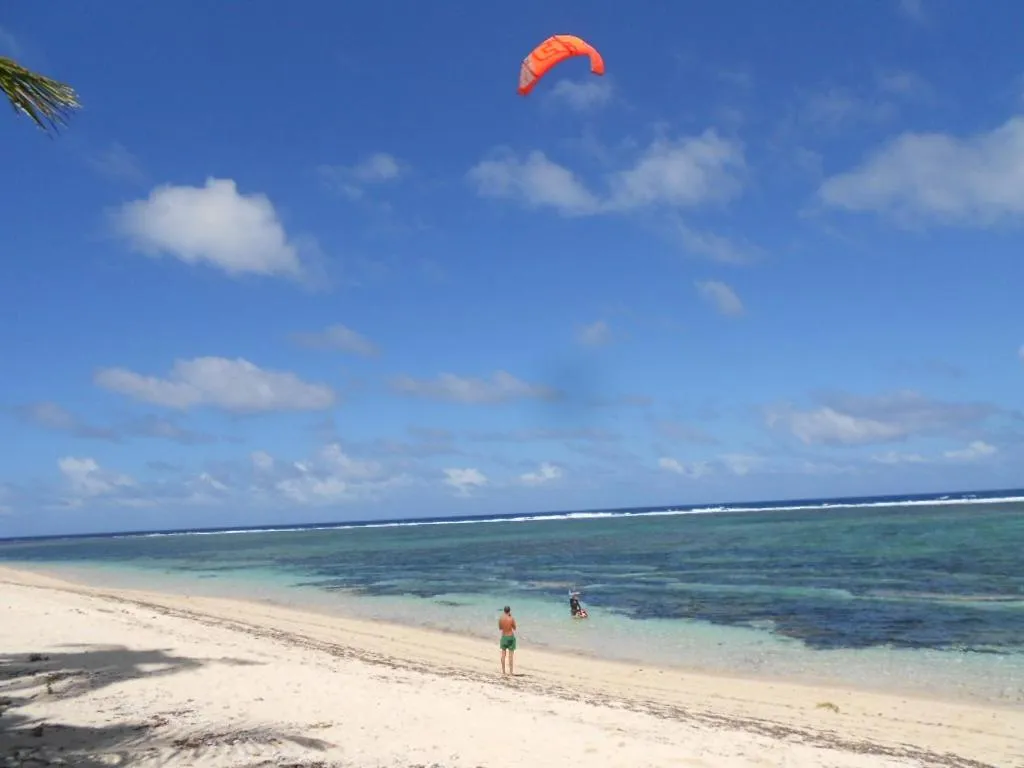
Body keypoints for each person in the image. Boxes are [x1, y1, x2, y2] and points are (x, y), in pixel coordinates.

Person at [498, 605, 517, 675]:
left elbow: (500, 628)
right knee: (510, 656)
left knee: (503, 654)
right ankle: (511, 672)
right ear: (509, 611)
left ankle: (503, 671)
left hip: (504, 637)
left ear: (504, 611)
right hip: (510, 637)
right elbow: (514, 628)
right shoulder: (511, 618)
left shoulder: (501, 619)